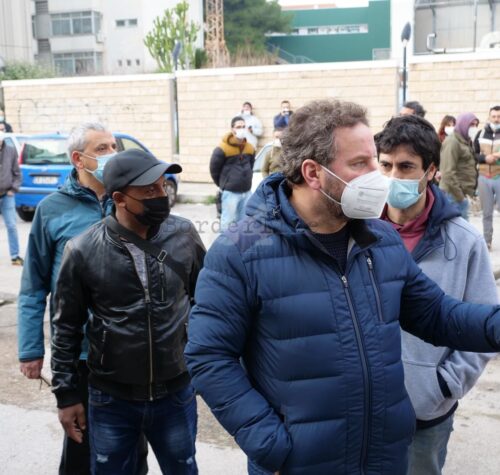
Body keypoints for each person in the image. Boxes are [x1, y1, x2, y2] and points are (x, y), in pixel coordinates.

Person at [184, 99, 500, 475]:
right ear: (313, 173)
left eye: (374, 160)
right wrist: (270, 444)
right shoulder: (240, 249)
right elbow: (209, 357)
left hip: (383, 460)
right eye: (361, 163)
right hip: (300, 464)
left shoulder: (380, 238)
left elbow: (439, 315)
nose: (378, 176)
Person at [51, 149, 205, 474]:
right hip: (111, 399)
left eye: (162, 186)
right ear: (120, 199)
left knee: (183, 467)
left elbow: (204, 300)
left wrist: (201, 358)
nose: (161, 195)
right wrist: (66, 395)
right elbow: (65, 327)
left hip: (175, 393)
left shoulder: (184, 234)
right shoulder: (82, 250)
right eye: (149, 190)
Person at [17, 123, 152, 475]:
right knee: (82, 446)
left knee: (132, 448)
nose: (113, 154)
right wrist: (31, 349)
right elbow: (33, 285)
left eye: (114, 146)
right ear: (79, 159)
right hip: (80, 353)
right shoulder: (51, 210)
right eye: (102, 148)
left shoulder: (129, 200)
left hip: (130, 350)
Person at [375, 114, 497, 475]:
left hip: (426, 411)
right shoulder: (357, 231)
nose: (393, 177)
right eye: (385, 165)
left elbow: (482, 323)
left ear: (431, 171)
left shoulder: (464, 241)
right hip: (360, 406)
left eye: (405, 167)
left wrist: (445, 383)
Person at [209, 116, 255, 231]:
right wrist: (223, 184)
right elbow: (214, 169)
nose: (241, 129)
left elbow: (251, 165)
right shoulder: (222, 148)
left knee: (244, 222)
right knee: (227, 222)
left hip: (246, 191)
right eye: (238, 127)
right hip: (230, 192)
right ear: (232, 129)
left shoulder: (250, 147)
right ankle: (225, 242)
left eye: (243, 126)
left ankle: (240, 242)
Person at [439, 112, 479, 221]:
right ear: (463, 124)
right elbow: (447, 172)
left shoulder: (465, 141)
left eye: (476, 125)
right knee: (458, 228)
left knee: (461, 228)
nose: (474, 128)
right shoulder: (452, 141)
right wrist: (460, 197)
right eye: (471, 125)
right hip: (453, 195)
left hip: (460, 194)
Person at [473, 105, 500, 250]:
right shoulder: (481, 133)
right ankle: (487, 241)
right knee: (487, 212)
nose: (496, 119)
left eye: (499, 117)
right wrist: (484, 158)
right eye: (494, 116)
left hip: (499, 176)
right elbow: (473, 154)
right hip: (483, 177)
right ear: (489, 117)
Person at [0, 127, 23, 265]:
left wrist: (13, 189)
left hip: (7, 194)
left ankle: (15, 256)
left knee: (12, 226)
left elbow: (17, 173)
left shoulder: (10, 150)